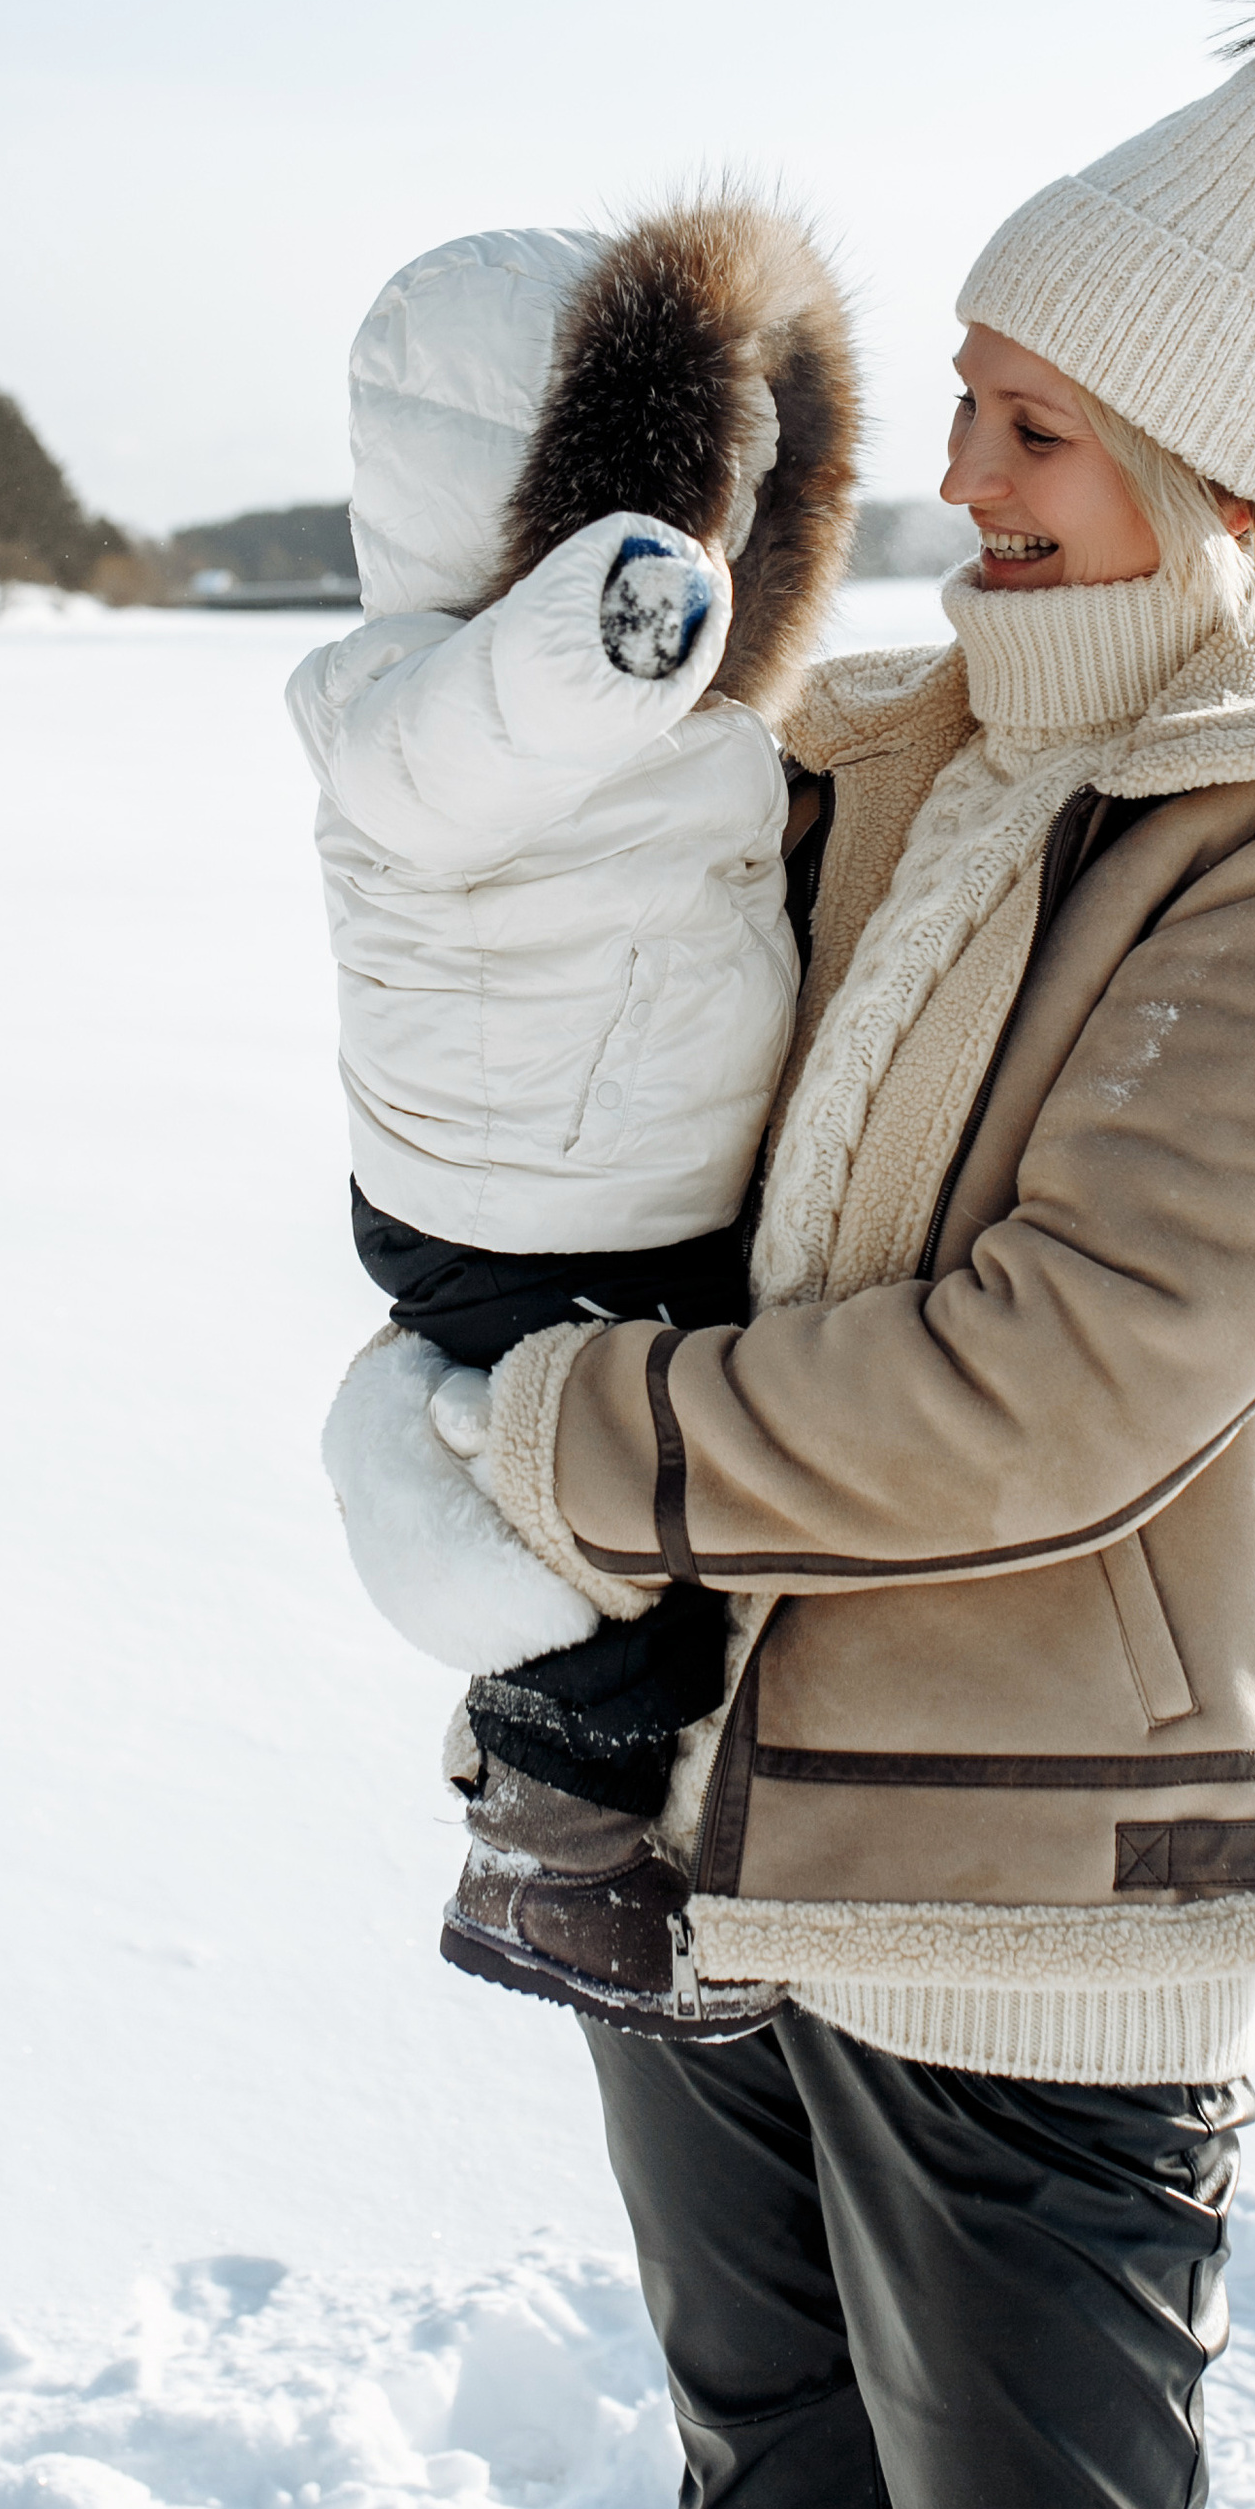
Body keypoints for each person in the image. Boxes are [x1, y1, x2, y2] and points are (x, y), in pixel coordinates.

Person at [332, 0, 1255, 2509]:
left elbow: (1051, 1394)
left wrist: (574, 1442)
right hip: (715, 1833)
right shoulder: (894, 757)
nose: (959, 474)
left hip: (1031, 1918)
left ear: (1225, 483)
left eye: (1039, 432)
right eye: (966, 400)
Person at [295, 198, 859, 2034]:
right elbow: (505, 728)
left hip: (574, 1180)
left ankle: (567, 1818)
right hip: (533, 1200)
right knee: (626, 1575)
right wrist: (622, 617)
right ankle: (557, 1879)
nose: (738, 523)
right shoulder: (444, 705)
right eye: (714, 472)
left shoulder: (640, 716)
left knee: (618, 1512)